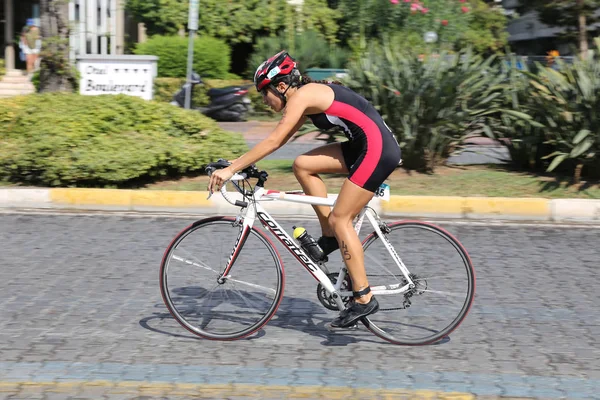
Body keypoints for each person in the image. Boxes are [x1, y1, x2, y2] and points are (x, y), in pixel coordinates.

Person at [208, 51, 402, 328]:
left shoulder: (303, 96)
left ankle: (363, 298)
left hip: (377, 150)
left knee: (341, 218)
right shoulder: (304, 98)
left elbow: (274, 140)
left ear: (281, 86)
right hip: (364, 147)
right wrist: (237, 164)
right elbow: (282, 139)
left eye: (265, 93)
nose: (264, 101)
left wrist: (229, 171)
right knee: (303, 165)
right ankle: (330, 237)